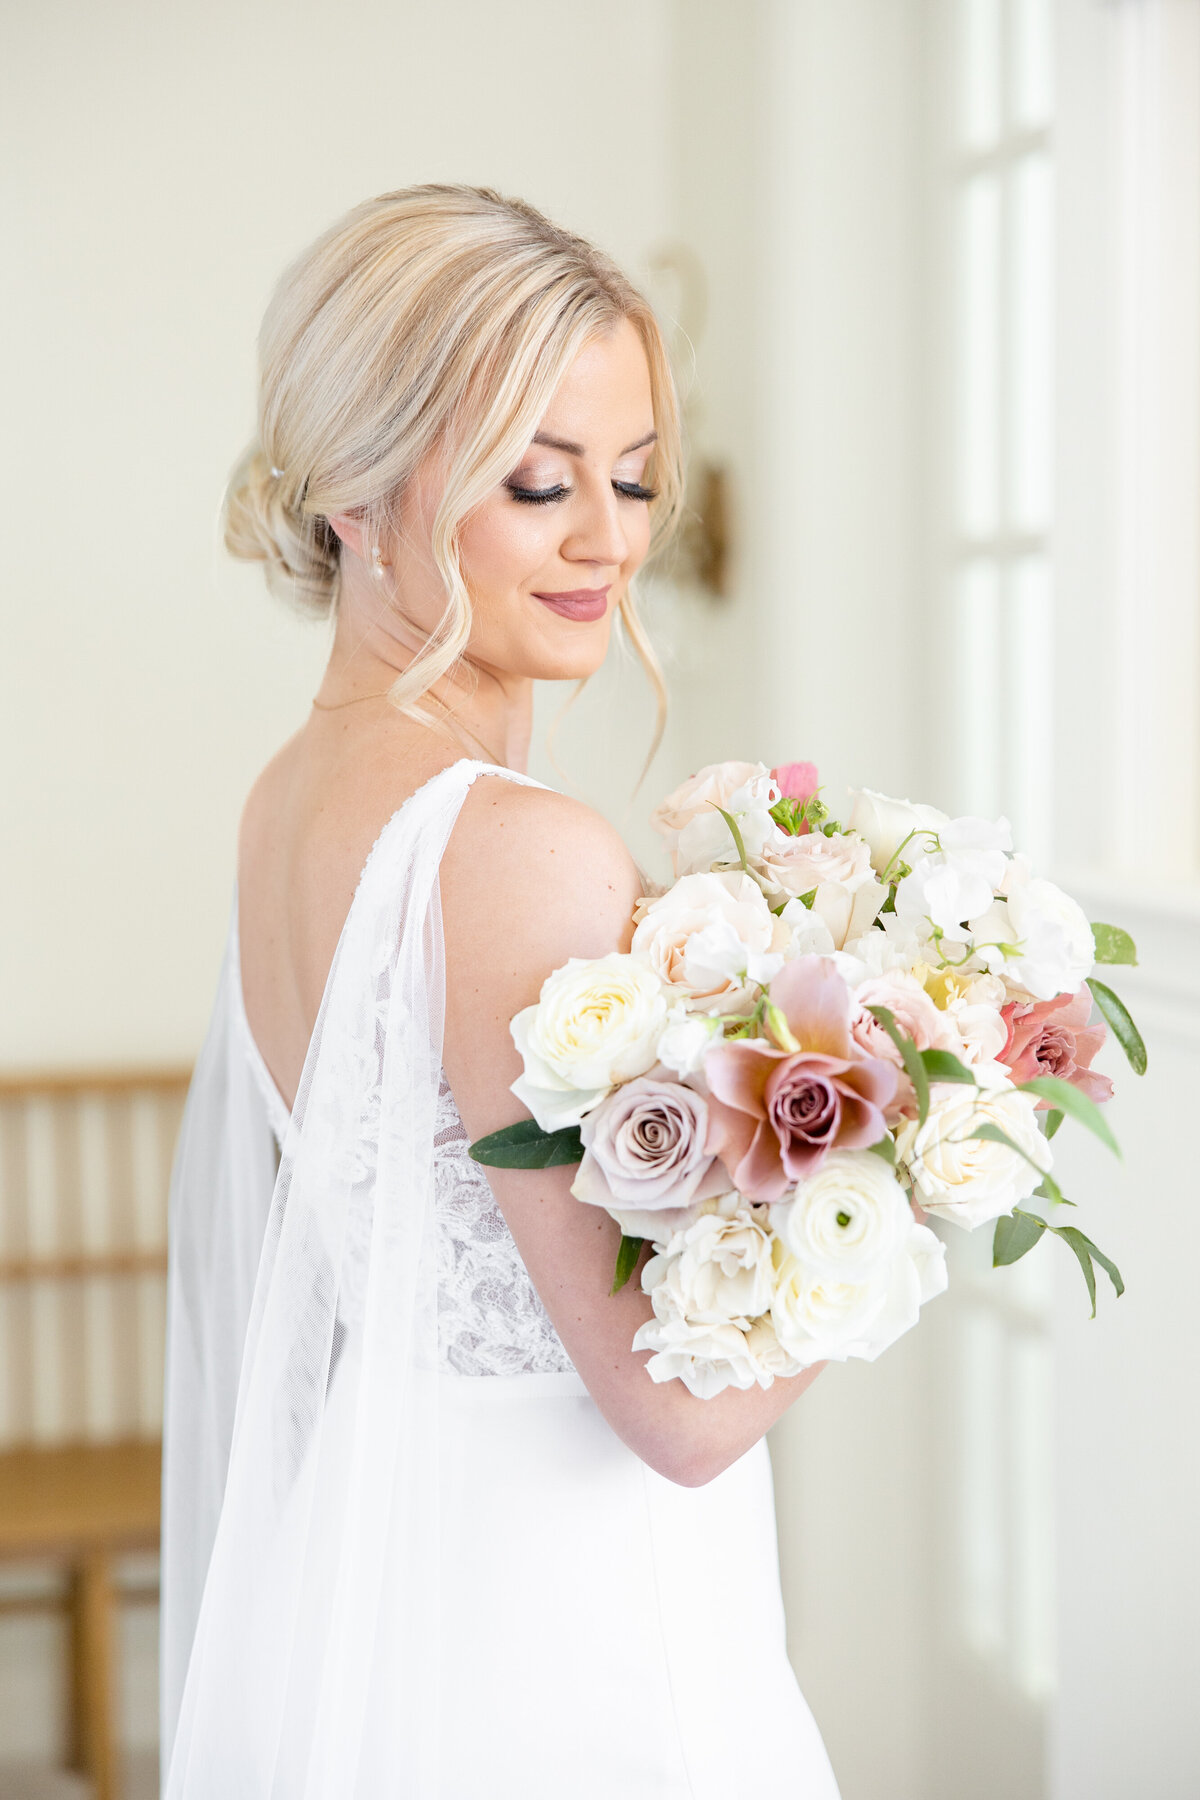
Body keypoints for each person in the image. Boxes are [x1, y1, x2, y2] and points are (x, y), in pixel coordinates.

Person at [160, 183, 841, 1799]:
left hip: (369, 1569)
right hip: (552, 1628)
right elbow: (680, 1419)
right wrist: (930, 1141)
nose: (609, 541)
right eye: (539, 485)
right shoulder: (514, 847)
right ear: (353, 495)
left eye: (632, 479)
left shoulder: (291, 796)